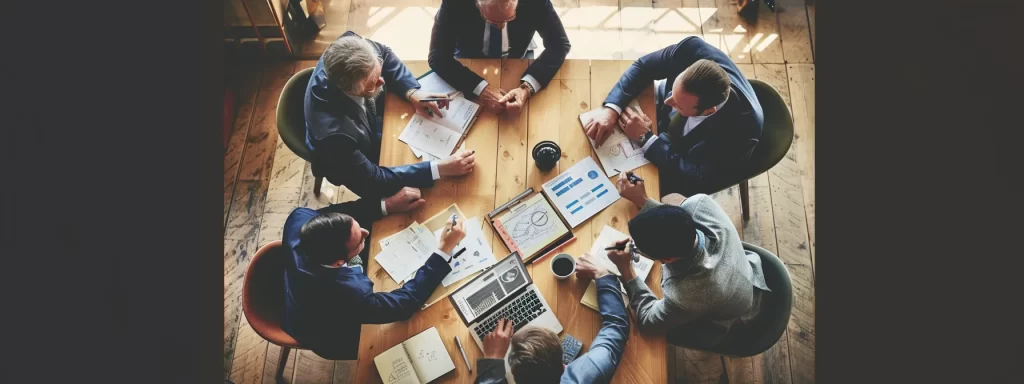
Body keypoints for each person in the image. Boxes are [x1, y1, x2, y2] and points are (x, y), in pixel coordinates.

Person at [280, 190, 467, 360]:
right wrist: (443, 250)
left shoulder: (300, 217)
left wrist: (388, 205)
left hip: (296, 285)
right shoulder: (350, 293)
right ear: (338, 263)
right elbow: (403, 304)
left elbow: (349, 210)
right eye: (359, 239)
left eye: (356, 226)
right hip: (327, 333)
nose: (365, 232)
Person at [606, 174, 772, 349]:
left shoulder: (686, 295)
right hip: (746, 268)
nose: (632, 246)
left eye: (637, 249)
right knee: (671, 197)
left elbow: (648, 323)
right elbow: (674, 208)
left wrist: (627, 270)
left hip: (733, 316)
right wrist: (643, 200)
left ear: (667, 259)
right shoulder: (700, 204)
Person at [305, 31, 476, 199]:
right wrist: (440, 168)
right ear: (349, 89)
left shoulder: (351, 45)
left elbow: (384, 54)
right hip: (350, 161)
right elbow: (373, 180)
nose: (383, 81)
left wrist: (411, 92)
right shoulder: (335, 137)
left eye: (378, 73)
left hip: (369, 122)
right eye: (373, 84)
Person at [584, 36, 764, 196]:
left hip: (692, 154)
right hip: (666, 133)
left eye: (677, 104)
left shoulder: (744, 132)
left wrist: (646, 138)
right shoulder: (691, 49)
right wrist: (612, 110)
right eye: (673, 92)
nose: (667, 102)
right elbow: (643, 66)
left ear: (709, 111)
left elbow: (698, 174)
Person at [474, 257, 629, 384]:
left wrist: (493, 357)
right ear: (563, 366)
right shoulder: (590, 372)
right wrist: (603, 276)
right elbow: (616, 327)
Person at [428, 0, 571, 115]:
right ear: (477, 5)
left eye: (509, 19)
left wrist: (526, 88)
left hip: (518, 57)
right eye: (493, 22)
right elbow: (438, 57)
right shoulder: (454, 3)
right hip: (468, 57)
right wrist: (481, 89)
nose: (502, 27)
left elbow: (559, 45)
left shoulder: (536, 2)